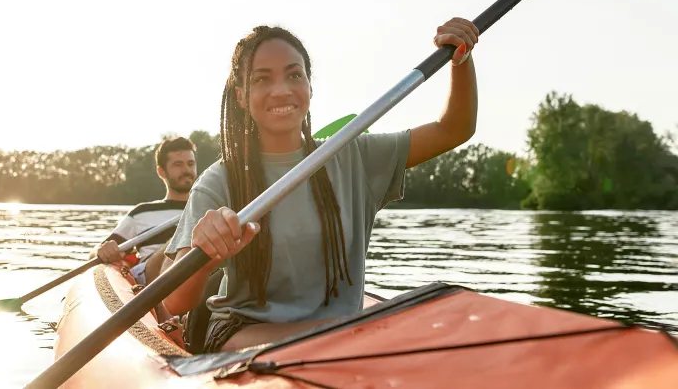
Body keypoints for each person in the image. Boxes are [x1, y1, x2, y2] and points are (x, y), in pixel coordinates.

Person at [162, 17, 480, 353]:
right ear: (241, 96)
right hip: (244, 335)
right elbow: (176, 301)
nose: (281, 90)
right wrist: (207, 257)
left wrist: (460, 61)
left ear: (310, 87)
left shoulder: (353, 155)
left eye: (294, 75)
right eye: (262, 79)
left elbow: (454, 129)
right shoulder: (219, 181)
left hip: (341, 336)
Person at [90, 136, 197, 286]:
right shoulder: (141, 213)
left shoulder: (207, 208)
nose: (186, 170)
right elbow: (94, 254)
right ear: (162, 172)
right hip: (153, 278)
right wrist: (102, 250)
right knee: (182, 239)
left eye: (191, 164)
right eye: (178, 165)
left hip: (201, 273)